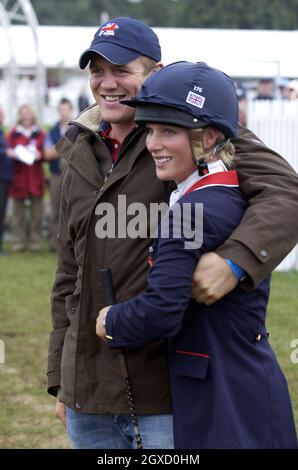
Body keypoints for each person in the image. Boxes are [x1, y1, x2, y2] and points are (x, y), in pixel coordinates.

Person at [48, 17, 298, 449]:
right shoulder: (78, 147)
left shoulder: (192, 132)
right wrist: (60, 376)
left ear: (155, 73)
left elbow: (287, 191)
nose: (108, 83)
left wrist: (235, 260)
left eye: (122, 70)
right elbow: (68, 273)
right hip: (86, 391)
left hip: (165, 391)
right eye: (97, 71)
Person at [7, 104, 45, 252]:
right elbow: (7, 151)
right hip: (19, 177)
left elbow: (46, 152)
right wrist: (13, 154)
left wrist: (40, 155)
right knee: (18, 214)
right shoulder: (13, 134)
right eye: (23, 114)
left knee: (37, 214)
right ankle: (19, 242)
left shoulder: (40, 134)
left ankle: (36, 242)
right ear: (19, 116)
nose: (26, 116)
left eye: (28, 113)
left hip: (35, 177)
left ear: (33, 115)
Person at [44, 98, 73, 251]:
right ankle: (55, 244)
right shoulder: (53, 130)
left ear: (71, 110)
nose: (64, 113)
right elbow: (47, 154)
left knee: (72, 209)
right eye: (61, 110)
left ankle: (70, 244)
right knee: (55, 210)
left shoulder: (77, 128)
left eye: (66, 109)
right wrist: (67, 146)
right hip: (56, 175)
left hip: (74, 176)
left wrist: (58, 148)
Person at [0, 106, 13, 255]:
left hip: (5, 178)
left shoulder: (2, 132)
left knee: (2, 213)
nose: (2, 117)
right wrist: (6, 152)